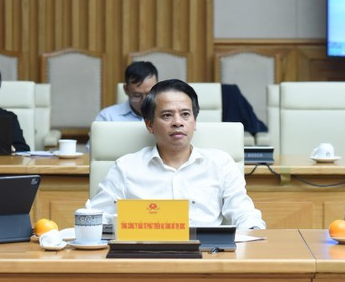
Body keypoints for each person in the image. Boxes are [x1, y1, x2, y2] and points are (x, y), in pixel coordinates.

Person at [89, 78, 265, 229]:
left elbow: (244, 213)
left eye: (185, 114)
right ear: (149, 125)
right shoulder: (126, 168)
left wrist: (253, 229)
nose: (178, 122)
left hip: (206, 258)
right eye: (167, 115)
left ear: (195, 121)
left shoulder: (220, 163)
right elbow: (96, 218)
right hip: (144, 258)